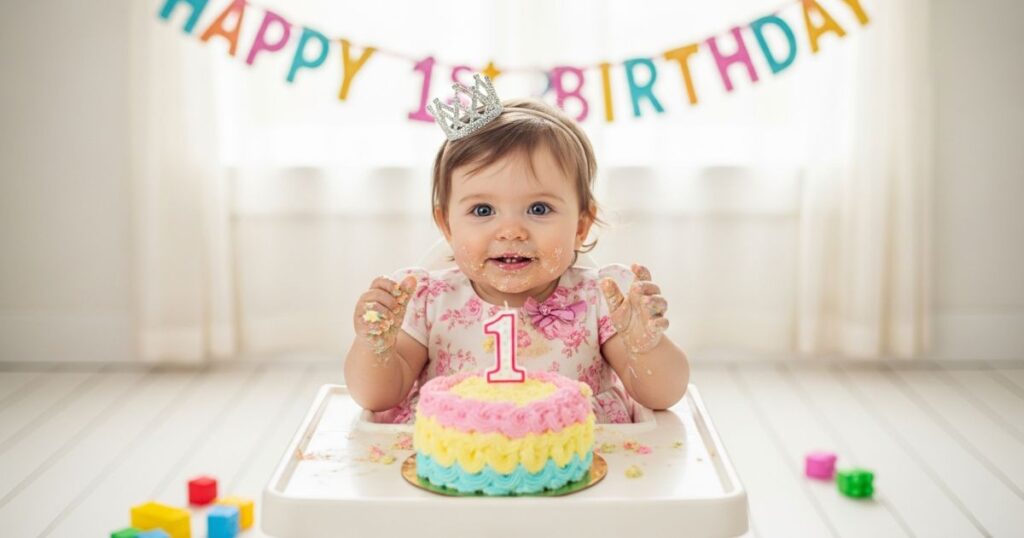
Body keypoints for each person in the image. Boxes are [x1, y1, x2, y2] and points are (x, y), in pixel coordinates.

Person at [344, 75, 689, 424]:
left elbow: (663, 396)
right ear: (447, 225)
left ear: (580, 226)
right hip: (452, 451)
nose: (511, 231)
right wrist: (375, 347)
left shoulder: (601, 301)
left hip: (581, 450)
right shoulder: (427, 301)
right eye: (483, 210)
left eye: (539, 209)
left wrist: (645, 347)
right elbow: (377, 397)